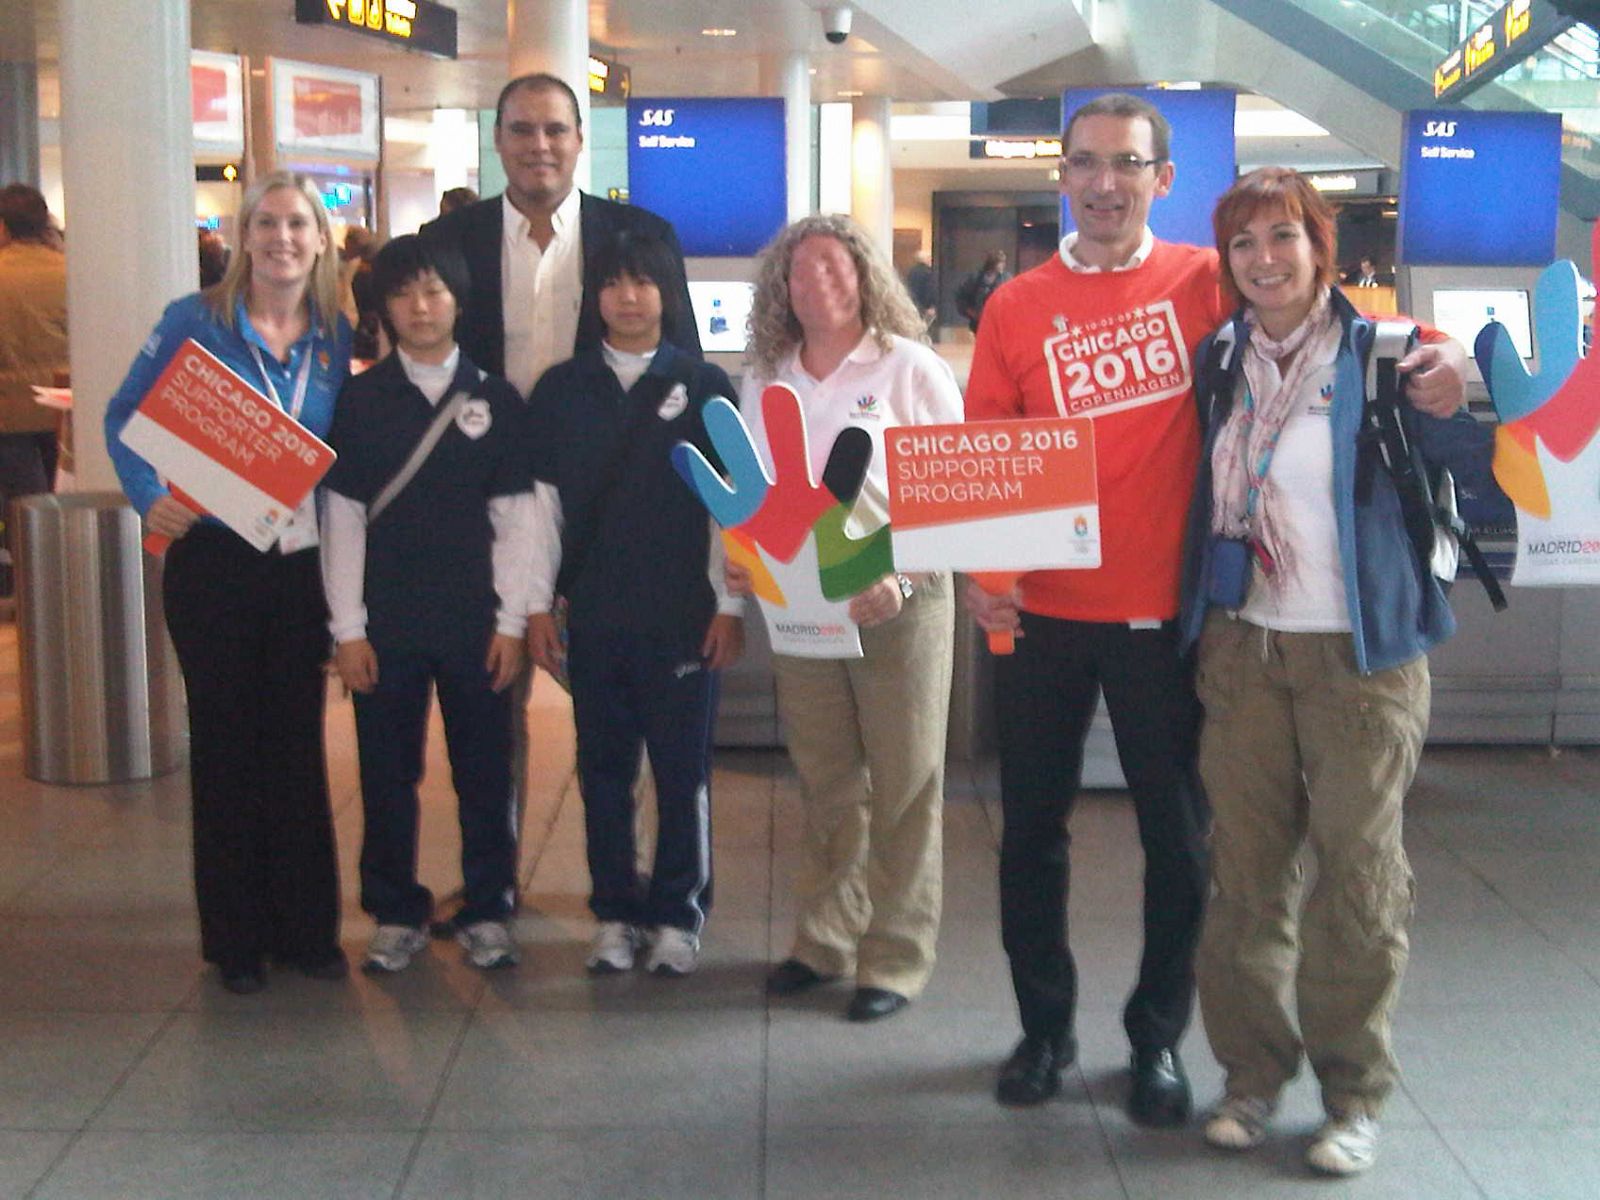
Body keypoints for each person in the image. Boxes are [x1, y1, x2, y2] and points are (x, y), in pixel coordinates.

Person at [962, 92, 1469, 1121]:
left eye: (1126, 164)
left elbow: (1347, 323)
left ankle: (1158, 1040)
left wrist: (1448, 354)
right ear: (1062, 175)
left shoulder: (1210, 279)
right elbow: (983, 456)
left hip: (1174, 622)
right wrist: (986, 583)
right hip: (1041, 622)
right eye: (1085, 163)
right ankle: (1043, 1031)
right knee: (1029, 837)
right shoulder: (1016, 307)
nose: (1104, 183)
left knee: (1183, 846)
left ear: (1161, 180)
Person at [1180, 167, 1499, 1176]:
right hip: (1244, 644)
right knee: (1243, 877)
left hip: (1359, 655)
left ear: (1320, 247)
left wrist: (1451, 390)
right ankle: (1249, 1075)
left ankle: (1352, 1094)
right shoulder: (1218, 357)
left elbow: (1466, 450)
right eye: (1243, 245)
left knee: (1356, 880)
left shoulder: (1388, 351)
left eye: (1283, 237)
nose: (1264, 260)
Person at [418, 71, 702, 858]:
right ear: (498, 140)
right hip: (486, 509)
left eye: (554, 130)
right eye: (520, 130)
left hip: (612, 512)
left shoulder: (637, 234)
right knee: (487, 708)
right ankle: (490, 887)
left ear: (580, 138)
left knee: (624, 716)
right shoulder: (451, 242)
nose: (538, 145)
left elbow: (684, 367)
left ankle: (637, 886)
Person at [105, 169, 350, 994]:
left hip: (298, 566)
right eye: (267, 224)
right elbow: (122, 417)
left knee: (295, 741)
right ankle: (237, 941)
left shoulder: (336, 338)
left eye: (298, 226)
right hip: (212, 562)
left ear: (321, 240)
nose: (282, 239)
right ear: (244, 237)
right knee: (225, 744)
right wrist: (151, 499)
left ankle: (308, 930)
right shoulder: (195, 321)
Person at [731, 213, 961, 1022]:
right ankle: (825, 938)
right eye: (800, 272)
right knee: (828, 781)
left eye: (835, 267)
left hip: (900, 600)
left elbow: (950, 493)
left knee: (904, 782)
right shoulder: (766, 377)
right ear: (780, 289)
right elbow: (754, 492)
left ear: (864, 276)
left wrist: (902, 575)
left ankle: (895, 958)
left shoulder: (910, 368)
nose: (818, 283)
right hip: (805, 606)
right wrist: (744, 559)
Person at [524, 230, 743, 978]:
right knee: (604, 772)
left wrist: (729, 609)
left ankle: (679, 915)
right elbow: (541, 511)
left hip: (683, 617)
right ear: (596, 298)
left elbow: (730, 509)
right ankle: (615, 913)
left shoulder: (708, 385)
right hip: (595, 619)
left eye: (644, 283)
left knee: (683, 777)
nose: (628, 296)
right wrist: (532, 609)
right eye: (614, 284)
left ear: (667, 293)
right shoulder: (560, 390)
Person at [320, 234, 533, 974]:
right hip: (387, 622)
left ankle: (487, 906)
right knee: (386, 772)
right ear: (382, 307)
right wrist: (347, 630)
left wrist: (512, 621)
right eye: (404, 293)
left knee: (484, 769)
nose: (420, 307)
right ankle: (395, 909)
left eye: (435, 291)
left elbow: (517, 519)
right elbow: (341, 518)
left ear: (458, 302)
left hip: (476, 622)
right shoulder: (361, 398)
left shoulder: (495, 399)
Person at [0, 184, 68, 504]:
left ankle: (26, 553)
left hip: (8, 411)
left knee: (24, 502)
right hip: (63, 406)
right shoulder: (69, 271)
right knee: (62, 496)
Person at [955, 249, 1008, 333]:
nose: (1003, 265)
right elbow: (961, 297)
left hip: (998, 321)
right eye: (1001, 262)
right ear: (992, 263)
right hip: (979, 321)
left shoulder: (1006, 279)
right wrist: (971, 312)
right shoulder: (976, 279)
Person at [905, 249, 937, 339]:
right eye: (929, 258)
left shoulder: (912, 271)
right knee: (924, 326)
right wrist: (930, 305)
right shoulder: (928, 272)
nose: (931, 260)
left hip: (913, 301)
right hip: (923, 304)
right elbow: (929, 290)